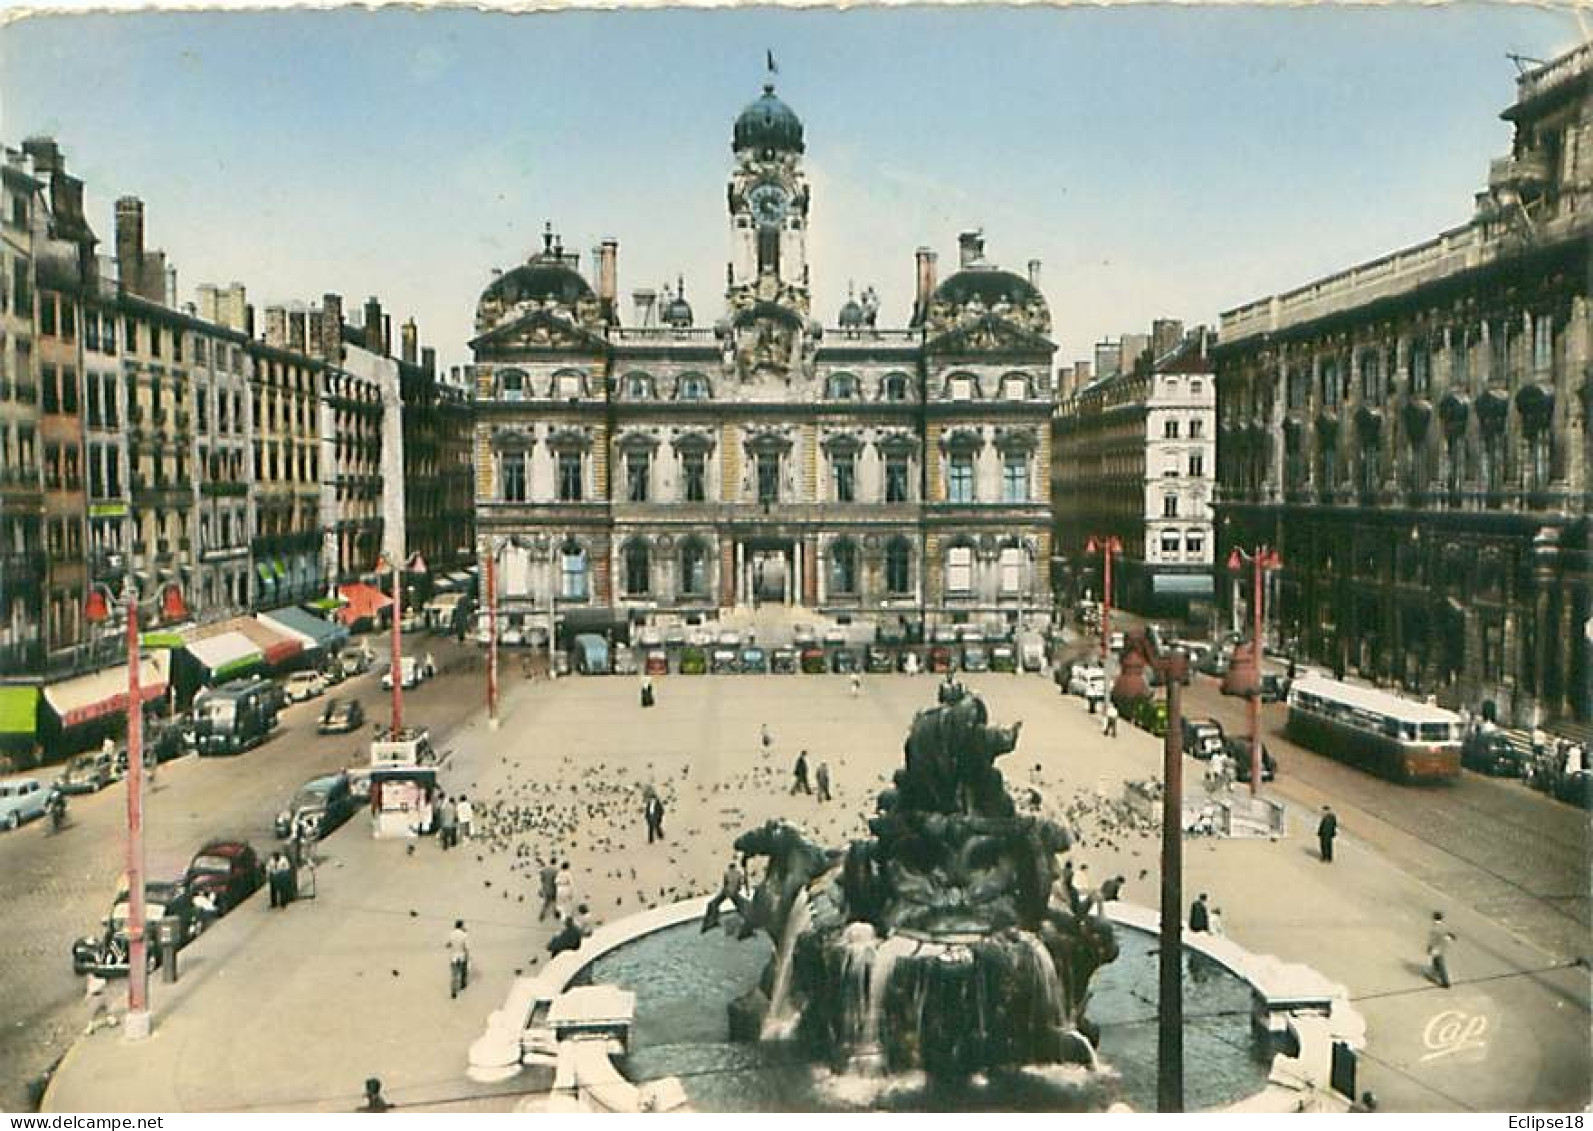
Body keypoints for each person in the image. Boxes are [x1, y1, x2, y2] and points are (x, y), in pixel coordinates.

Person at [701, 857, 746, 933]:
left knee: (712, 904)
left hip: (727, 891)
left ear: (729, 867)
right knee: (740, 905)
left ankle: (711, 921)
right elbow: (740, 884)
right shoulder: (738, 873)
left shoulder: (727, 873)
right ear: (734, 867)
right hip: (734, 892)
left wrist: (725, 891)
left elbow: (725, 883)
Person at [1427, 911, 1457, 989]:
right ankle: (1433, 974)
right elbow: (1450, 935)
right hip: (1443, 947)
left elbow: (1432, 940)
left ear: (1434, 918)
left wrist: (1430, 947)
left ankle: (1446, 982)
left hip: (1437, 948)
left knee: (1440, 963)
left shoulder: (1435, 928)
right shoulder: (1444, 925)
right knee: (1436, 962)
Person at [83, 970, 114, 1035]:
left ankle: (90, 1028)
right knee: (99, 1010)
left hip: (99, 995)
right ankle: (111, 1020)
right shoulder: (93, 976)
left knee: (97, 1011)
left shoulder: (95, 977)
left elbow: (92, 988)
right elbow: (91, 986)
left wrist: (87, 997)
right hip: (98, 995)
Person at [447, 919, 470, 998]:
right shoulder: (464, 935)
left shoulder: (451, 934)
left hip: (453, 957)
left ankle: (453, 991)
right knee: (463, 972)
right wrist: (468, 956)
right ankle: (463, 985)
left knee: (454, 975)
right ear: (461, 926)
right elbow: (466, 947)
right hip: (462, 957)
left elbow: (448, 945)